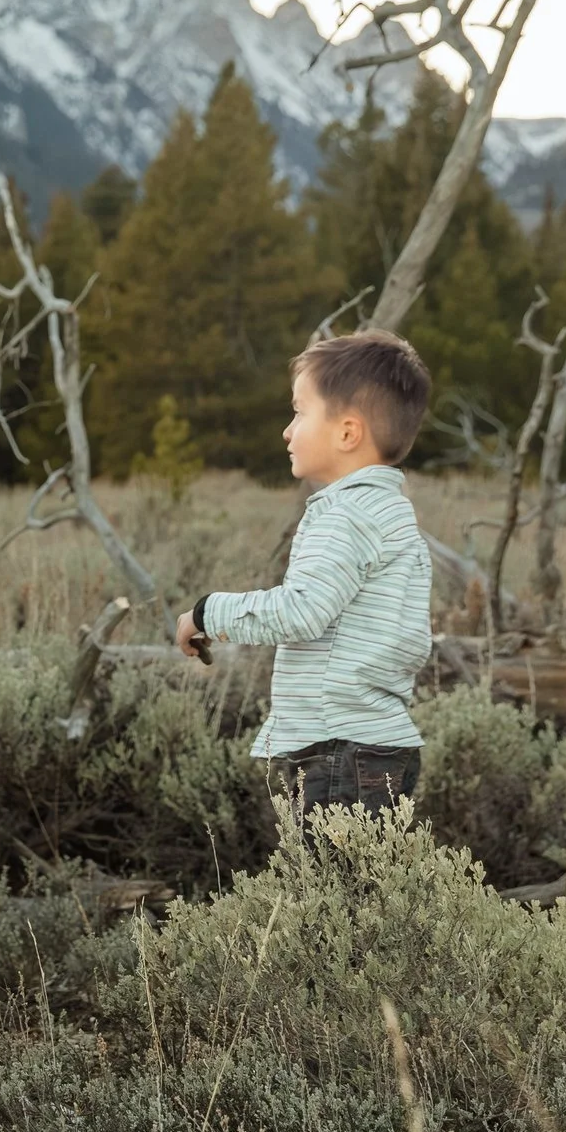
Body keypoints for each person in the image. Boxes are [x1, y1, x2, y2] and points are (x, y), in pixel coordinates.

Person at [176, 330, 435, 808]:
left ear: (347, 433)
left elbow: (301, 612)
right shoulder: (393, 515)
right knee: (364, 881)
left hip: (337, 749)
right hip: (382, 744)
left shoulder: (345, 517)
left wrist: (206, 613)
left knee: (329, 883)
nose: (287, 430)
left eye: (298, 411)